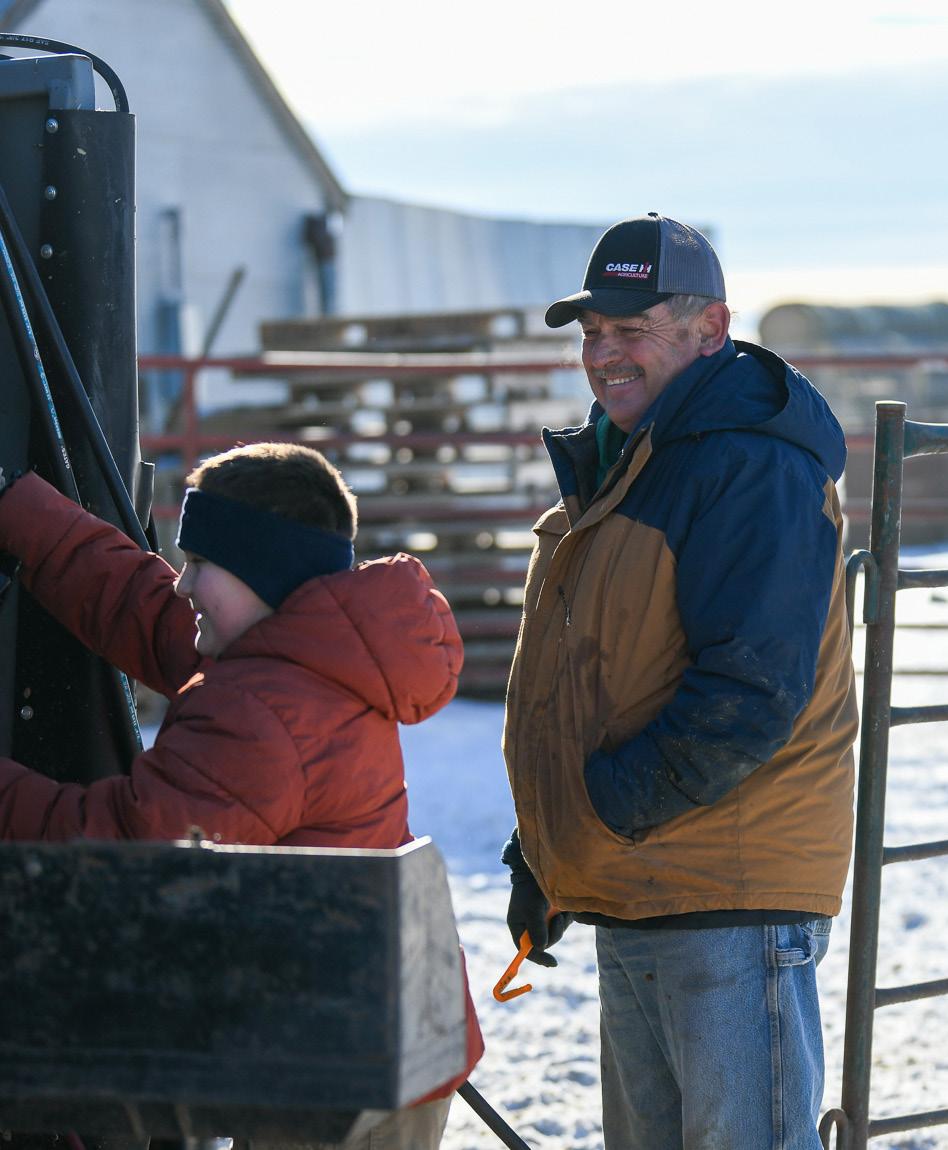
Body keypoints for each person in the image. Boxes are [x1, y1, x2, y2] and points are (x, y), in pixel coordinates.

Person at [0, 442, 482, 1149]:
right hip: (368, 1033)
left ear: (263, 570)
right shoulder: (312, 644)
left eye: (201, 564)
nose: (182, 585)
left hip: (339, 1076)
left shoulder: (264, 714)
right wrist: (15, 504)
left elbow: (118, 848)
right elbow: (139, 605)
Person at [501, 213, 858, 1150]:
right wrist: (546, 848)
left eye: (632, 329)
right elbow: (607, 679)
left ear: (711, 329)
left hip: (725, 889)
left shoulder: (747, 465)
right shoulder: (639, 462)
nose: (602, 355)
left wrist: (597, 812)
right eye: (592, 332)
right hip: (645, 879)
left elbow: (749, 693)